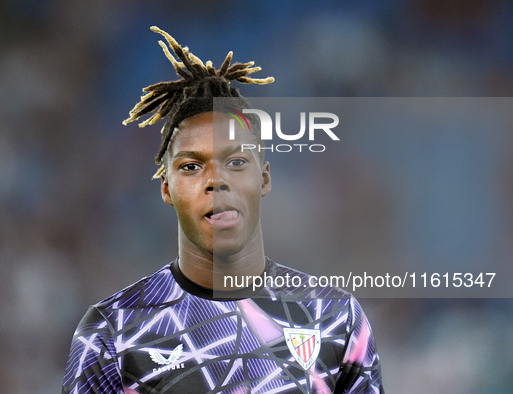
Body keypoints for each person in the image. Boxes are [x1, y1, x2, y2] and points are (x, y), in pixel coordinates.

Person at [62, 26, 383, 394]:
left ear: (264, 178)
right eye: (191, 166)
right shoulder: (112, 330)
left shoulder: (335, 318)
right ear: (167, 188)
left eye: (236, 161)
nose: (216, 181)